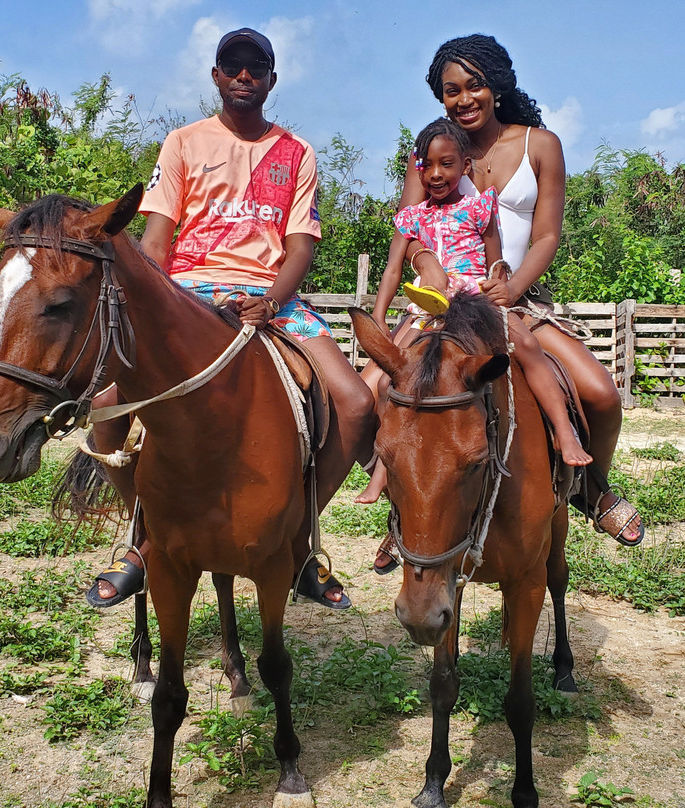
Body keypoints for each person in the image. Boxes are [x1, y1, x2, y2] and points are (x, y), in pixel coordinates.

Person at [86, 27, 375, 609]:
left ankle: (299, 538)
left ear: (271, 79)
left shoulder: (297, 152)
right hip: (188, 290)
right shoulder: (183, 142)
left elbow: (300, 248)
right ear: (216, 76)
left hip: (272, 297)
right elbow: (157, 241)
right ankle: (142, 535)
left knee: (356, 403)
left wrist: (270, 300)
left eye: (256, 67)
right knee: (105, 409)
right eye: (233, 65)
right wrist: (161, 302)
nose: (245, 75)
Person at [367, 34, 643, 573]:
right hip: (439, 304)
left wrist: (512, 288)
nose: (464, 98)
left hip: (514, 300)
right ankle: (407, 509)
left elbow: (546, 236)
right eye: (451, 90)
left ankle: (592, 487)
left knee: (601, 393)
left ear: (497, 84)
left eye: (474, 85)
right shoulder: (431, 153)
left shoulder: (541, 144)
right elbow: (409, 232)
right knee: (368, 395)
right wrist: (426, 264)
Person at [356, 117, 591, 505]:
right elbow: (393, 269)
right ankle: (385, 467)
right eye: (428, 166)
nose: (436, 174)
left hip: (476, 303)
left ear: (465, 167)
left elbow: (496, 261)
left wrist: (501, 283)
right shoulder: (412, 217)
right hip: (429, 310)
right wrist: (379, 316)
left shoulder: (480, 208)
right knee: (387, 381)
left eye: (446, 164)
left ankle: (564, 430)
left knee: (527, 347)